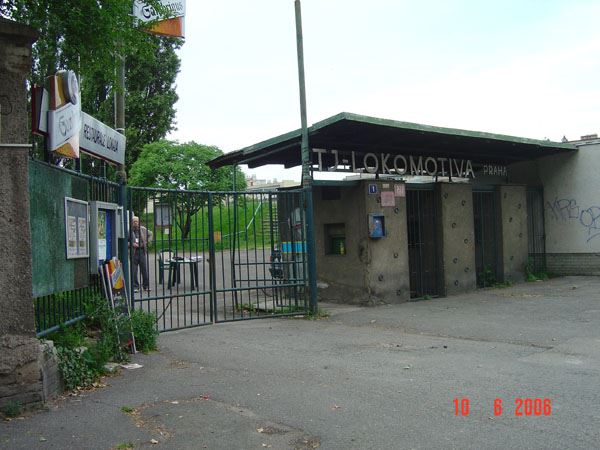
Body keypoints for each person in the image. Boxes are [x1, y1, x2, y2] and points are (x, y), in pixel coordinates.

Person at [131, 215, 153, 293]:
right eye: (134, 221)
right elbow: (125, 241)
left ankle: (146, 286)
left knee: (144, 269)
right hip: (133, 252)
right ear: (131, 222)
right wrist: (131, 244)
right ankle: (135, 287)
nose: (135, 223)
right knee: (134, 271)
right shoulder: (129, 231)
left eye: (136, 221)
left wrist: (147, 242)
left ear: (139, 222)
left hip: (142, 251)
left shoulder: (143, 229)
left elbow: (151, 234)